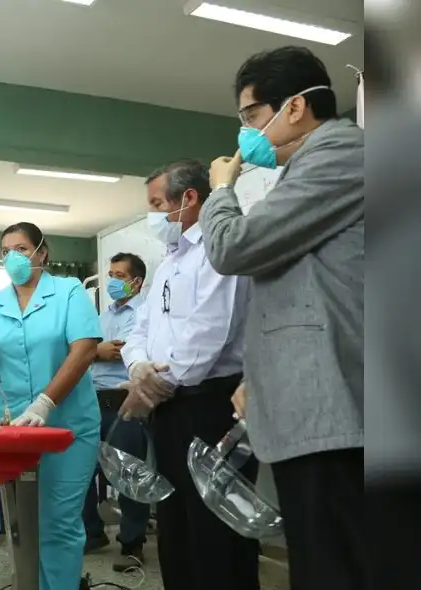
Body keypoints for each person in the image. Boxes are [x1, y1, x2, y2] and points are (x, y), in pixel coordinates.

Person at [202, 46, 365, 590]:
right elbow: (305, 290)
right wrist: (260, 373)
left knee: (332, 565)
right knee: (321, 561)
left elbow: (233, 247)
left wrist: (221, 190)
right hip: (311, 406)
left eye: (250, 117)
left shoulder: (339, 154)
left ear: (293, 107)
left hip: (333, 410)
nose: (246, 134)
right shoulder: (309, 167)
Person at [118, 159, 257, 590]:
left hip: (211, 404)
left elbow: (210, 329)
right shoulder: (169, 259)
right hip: (169, 406)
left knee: (215, 528)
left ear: (190, 198)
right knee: (175, 522)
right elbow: (140, 328)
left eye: (158, 203)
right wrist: (140, 367)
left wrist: (159, 383)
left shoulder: (219, 250)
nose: (153, 215)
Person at [0, 222, 101, 590]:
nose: (12, 257)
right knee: (25, 523)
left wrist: (46, 402)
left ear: (41, 253)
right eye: (5, 251)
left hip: (69, 427)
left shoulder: (69, 292)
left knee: (59, 522)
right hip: (18, 430)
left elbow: (84, 350)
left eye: (20, 248)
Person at [82, 252, 150, 571]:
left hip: (127, 402)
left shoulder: (148, 313)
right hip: (94, 401)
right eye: (110, 274)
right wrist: (97, 351)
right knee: (79, 471)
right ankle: (92, 534)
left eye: (119, 276)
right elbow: (89, 351)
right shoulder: (102, 317)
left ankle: (132, 543)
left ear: (136, 282)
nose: (112, 281)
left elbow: (127, 353)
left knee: (128, 474)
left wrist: (102, 352)